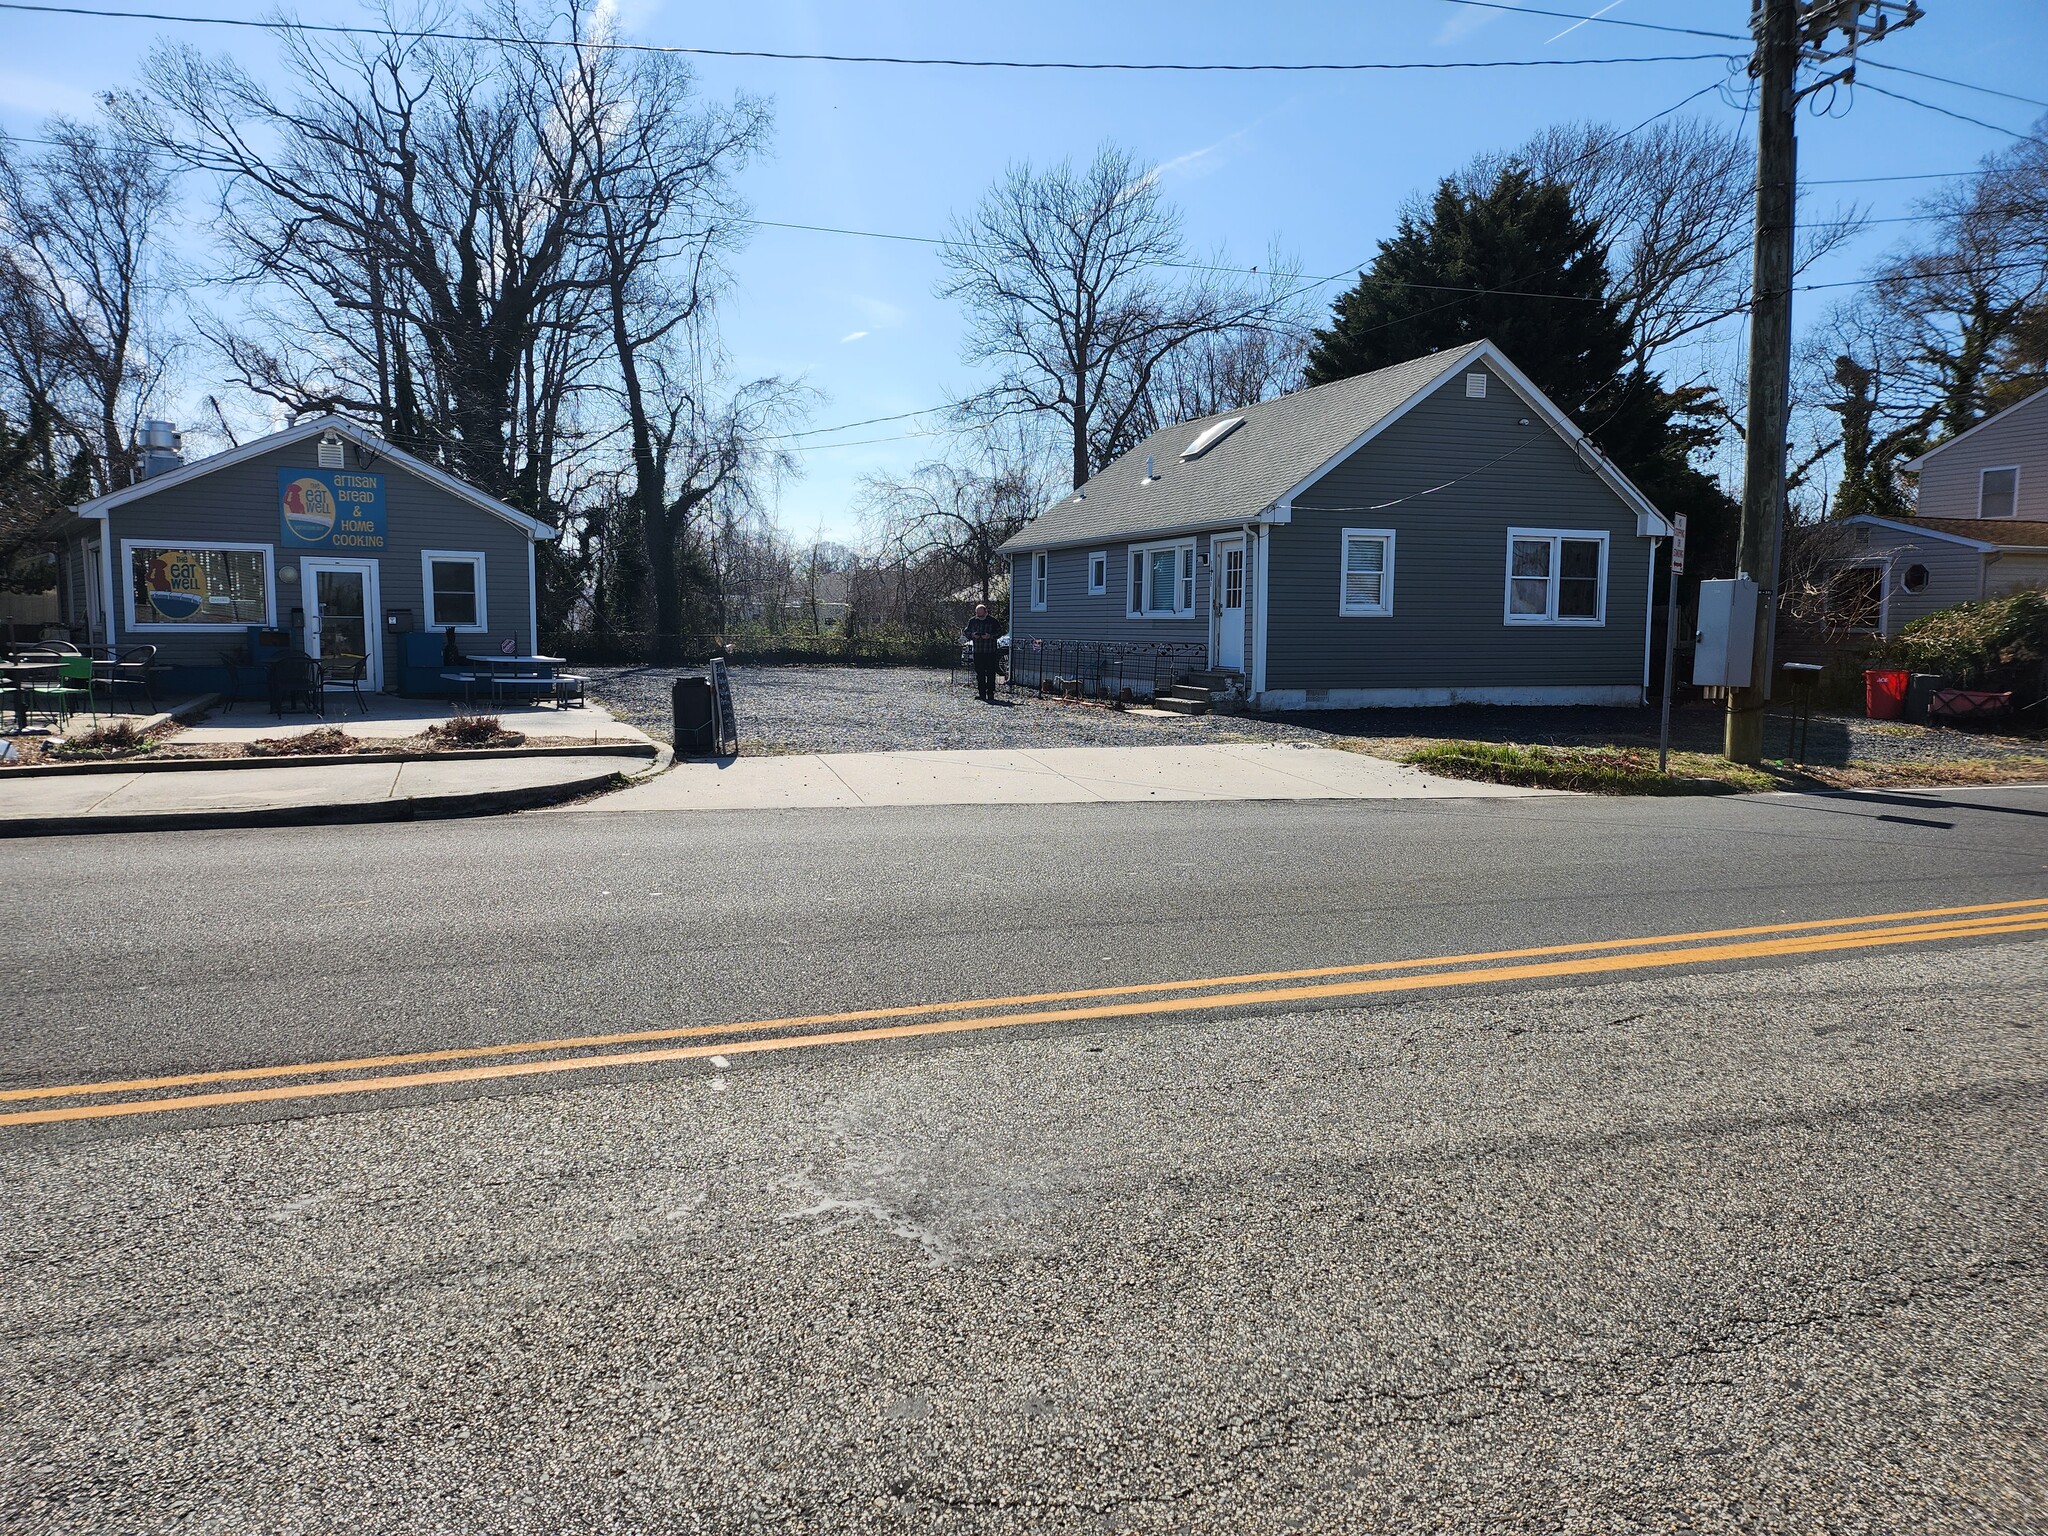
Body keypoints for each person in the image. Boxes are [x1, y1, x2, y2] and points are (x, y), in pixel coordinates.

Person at [963, 603, 1002, 703]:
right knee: (979, 673)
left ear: (985, 612)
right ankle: (981, 693)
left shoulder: (993, 621)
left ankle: (990, 693)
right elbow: (966, 632)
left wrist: (990, 636)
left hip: (990, 651)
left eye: (981, 614)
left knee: (990, 673)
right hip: (978, 650)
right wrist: (972, 635)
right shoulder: (972, 621)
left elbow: (999, 632)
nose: (979, 616)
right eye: (977, 614)